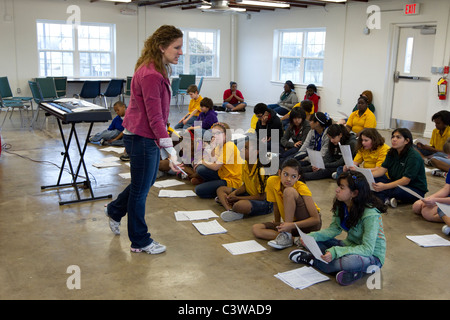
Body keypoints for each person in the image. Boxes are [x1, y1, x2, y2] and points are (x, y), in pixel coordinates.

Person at [104, 25, 183, 255]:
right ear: (161, 47)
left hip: (145, 136)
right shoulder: (150, 73)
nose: (180, 52)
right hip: (141, 137)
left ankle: (114, 210)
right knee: (141, 191)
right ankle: (140, 240)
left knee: (143, 184)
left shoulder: (156, 68)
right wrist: (170, 149)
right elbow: (154, 115)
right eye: (176, 47)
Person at [289, 171, 387, 286]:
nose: (337, 190)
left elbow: (367, 249)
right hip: (350, 246)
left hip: (371, 257)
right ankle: (349, 272)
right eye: (338, 186)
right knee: (316, 241)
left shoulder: (370, 214)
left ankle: (312, 260)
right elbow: (334, 229)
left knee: (351, 262)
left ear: (354, 193)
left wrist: (336, 252)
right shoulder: (342, 205)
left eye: (342, 187)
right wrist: (311, 237)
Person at [252, 158, 322, 250]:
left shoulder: (301, 187)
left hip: (309, 225)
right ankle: (294, 239)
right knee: (256, 229)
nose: (288, 179)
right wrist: (277, 223)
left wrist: (290, 225)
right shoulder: (272, 181)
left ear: (298, 178)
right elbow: (275, 205)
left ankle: (287, 235)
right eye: (285, 174)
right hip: (291, 226)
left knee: (288, 191)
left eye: (293, 176)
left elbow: (316, 219)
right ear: (279, 172)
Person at [216, 136, 272, 221]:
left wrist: (238, 198)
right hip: (249, 194)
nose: (241, 149)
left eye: (246, 148)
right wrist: (234, 193)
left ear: (256, 152)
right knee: (220, 190)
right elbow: (245, 186)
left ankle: (234, 206)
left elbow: (261, 197)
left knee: (240, 205)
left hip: (264, 202)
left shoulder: (262, 170)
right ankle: (230, 210)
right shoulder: (245, 164)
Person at [372, 128, 428, 208]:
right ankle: (387, 198)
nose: (394, 139)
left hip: (413, 189)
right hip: (396, 183)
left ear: (406, 141)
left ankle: (383, 197)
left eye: (398, 137)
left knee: (398, 191)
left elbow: (406, 180)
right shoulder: (391, 152)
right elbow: (381, 170)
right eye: (393, 137)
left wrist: (384, 186)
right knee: (375, 180)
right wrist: (366, 176)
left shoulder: (413, 156)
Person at [192, 122, 244, 198]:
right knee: (200, 169)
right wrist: (212, 147)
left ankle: (225, 190)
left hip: (231, 180)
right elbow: (213, 160)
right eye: (213, 134)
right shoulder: (219, 145)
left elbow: (215, 167)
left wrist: (202, 161)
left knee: (199, 190)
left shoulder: (229, 145)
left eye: (218, 133)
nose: (215, 136)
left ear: (226, 135)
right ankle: (211, 184)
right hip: (222, 174)